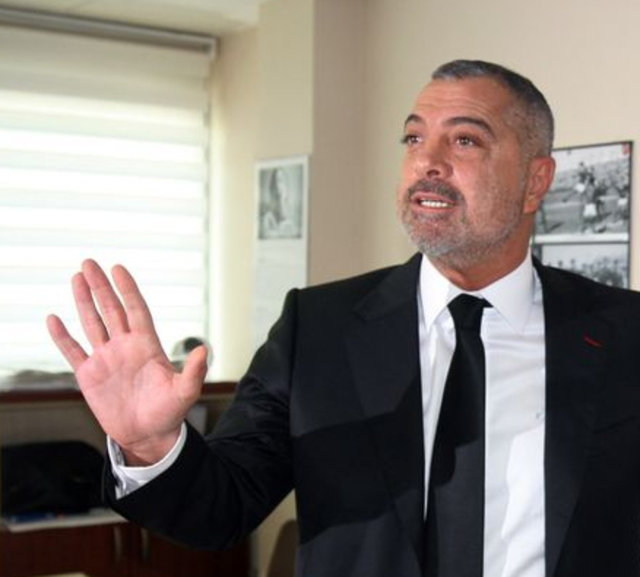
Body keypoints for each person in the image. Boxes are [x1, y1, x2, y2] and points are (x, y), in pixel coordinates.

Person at [46, 60, 640, 577]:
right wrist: (150, 444)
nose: (427, 161)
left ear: (536, 180)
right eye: (413, 138)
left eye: (464, 141)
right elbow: (221, 509)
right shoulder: (317, 329)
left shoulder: (626, 334)